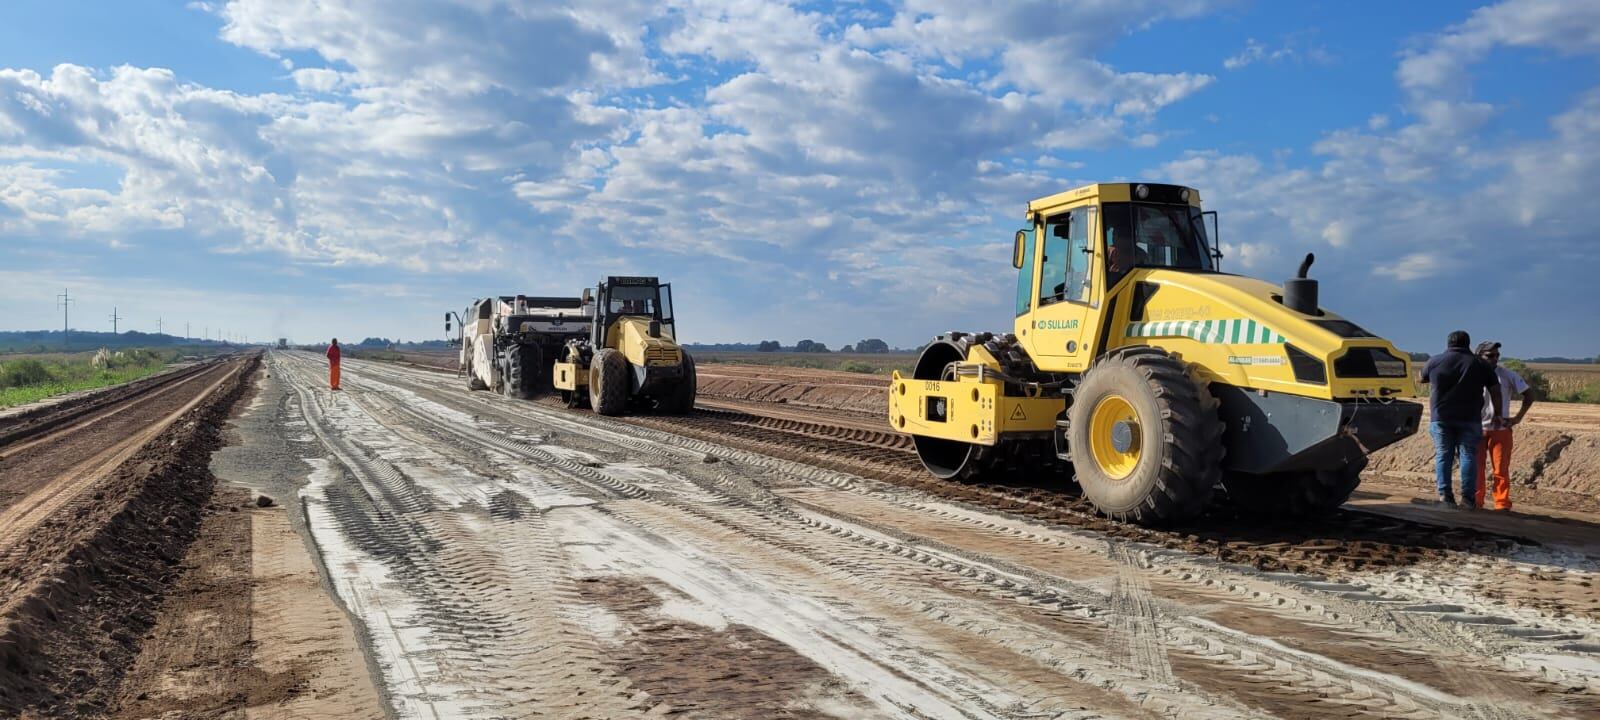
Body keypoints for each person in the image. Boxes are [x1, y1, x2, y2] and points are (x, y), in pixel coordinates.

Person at [1419, 330, 1503, 508]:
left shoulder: (1434, 361)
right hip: (1470, 417)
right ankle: (1467, 498)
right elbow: (1495, 390)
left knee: (1443, 455)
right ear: (1468, 344)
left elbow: (1421, 378)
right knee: (1468, 455)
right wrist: (1498, 414)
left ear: (1448, 343)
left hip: (1441, 417)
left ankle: (1446, 496)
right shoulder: (1480, 364)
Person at [1475, 341, 1534, 510]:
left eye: (1497, 355)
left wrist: (1517, 418)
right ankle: (1476, 501)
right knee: (1476, 468)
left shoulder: (1508, 375)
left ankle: (1501, 503)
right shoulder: (1471, 375)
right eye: (1490, 355)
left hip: (1500, 430)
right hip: (1477, 429)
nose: (1494, 359)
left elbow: (1529, 395)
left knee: (1500, 470)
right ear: (1479, 356)